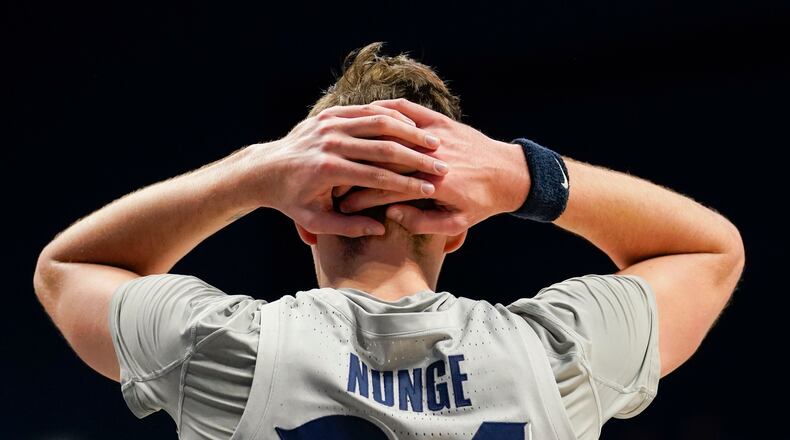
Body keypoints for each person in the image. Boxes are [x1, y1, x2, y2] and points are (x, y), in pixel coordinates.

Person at [33, 43, 744, 440]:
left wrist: (253, 171)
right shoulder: (557, 354)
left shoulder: (226, 349)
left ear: (305, 217)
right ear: (457, 226)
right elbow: (712, 252)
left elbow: (68, 269)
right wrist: (524, 175)